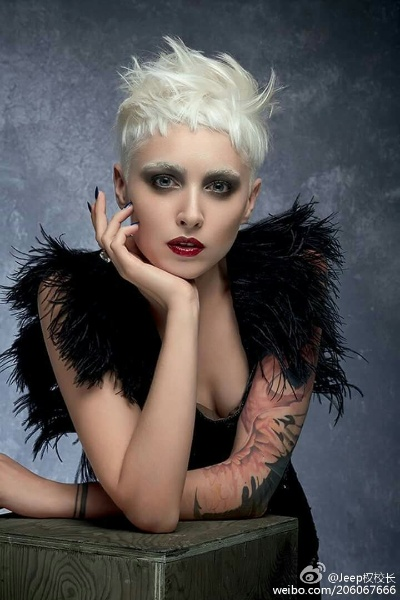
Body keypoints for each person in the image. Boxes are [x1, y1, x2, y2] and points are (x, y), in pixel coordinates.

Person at [0, 36, 361, 589]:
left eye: (218, 187)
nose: (191, 214)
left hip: (274, 567)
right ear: (123, 185)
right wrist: (181, 305)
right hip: (137, 577)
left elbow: (250, 486)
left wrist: (60, 498)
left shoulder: (293, 276)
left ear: (249, 201)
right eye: (164, 180)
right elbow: (150, 510)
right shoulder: (70, 298)